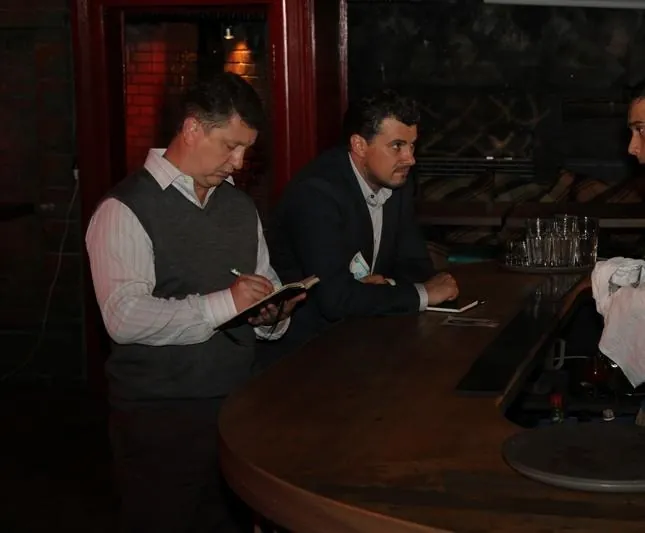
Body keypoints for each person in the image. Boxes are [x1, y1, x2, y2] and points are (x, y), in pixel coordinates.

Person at [85, 72, 303, 533]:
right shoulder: (124, 208)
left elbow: (263, 283)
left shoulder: (240, 208)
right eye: (230, 146)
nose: (238, 163)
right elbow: (123, 317)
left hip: (238, 406)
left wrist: (271, 314)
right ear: (192, 129)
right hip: (162, 417)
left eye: (246, 150)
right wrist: (225, 304)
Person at [264, 89, 459, 357]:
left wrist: (385, 288)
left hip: (364, 338)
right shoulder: (316, 193)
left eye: (412, 145)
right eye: (397, 146)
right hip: (306, 352)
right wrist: (422, 294)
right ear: (359, 145)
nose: (410, 159)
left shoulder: (398, 183)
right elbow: (335, 300)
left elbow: (416, 265)